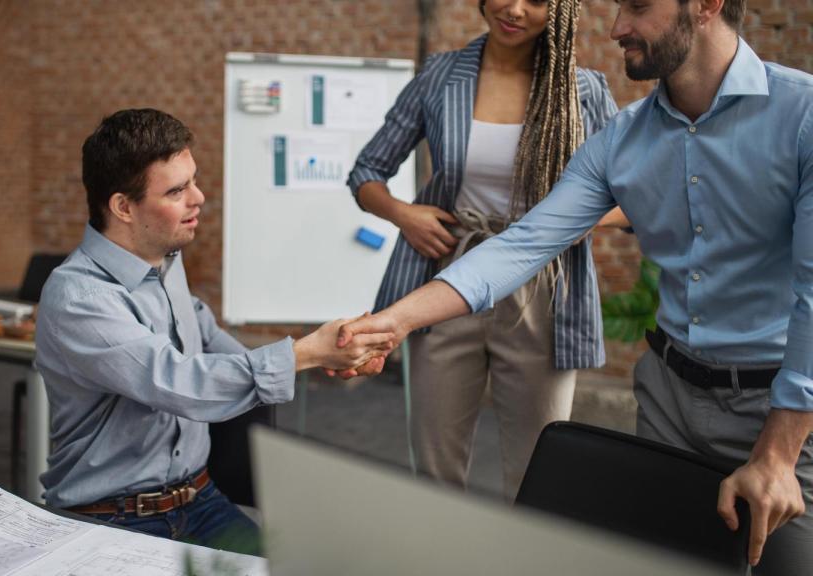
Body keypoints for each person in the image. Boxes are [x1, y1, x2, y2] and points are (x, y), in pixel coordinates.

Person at [339, 0, 813, 570]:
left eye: (637, 7)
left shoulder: (802, 114)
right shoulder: (622, 138)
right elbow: (524, 243)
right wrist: (394, 320)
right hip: (668, 398)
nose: (616, 28)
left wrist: (780, 452)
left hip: (782, 410)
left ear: (706, 5)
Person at [34, 108, 391, 554]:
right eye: (177, 190)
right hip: (115, 516)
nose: (199, 198)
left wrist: (333, 352)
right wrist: (303, 355)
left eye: (193, 181)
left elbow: (200, 329)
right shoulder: (80, 298)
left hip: (199, 499)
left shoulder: (164, 259)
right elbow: (180, 383)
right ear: (123, 207)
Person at [346, 0, 623, 499]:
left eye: (536, 1)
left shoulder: (582, 90)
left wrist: (579, 218)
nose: (514, 9)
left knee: (540, 469)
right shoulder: (441, 75)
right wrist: (404, 215)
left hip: (543, 284)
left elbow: (637, 197)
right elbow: (367, 172)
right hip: (446, 276)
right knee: (435, 468)